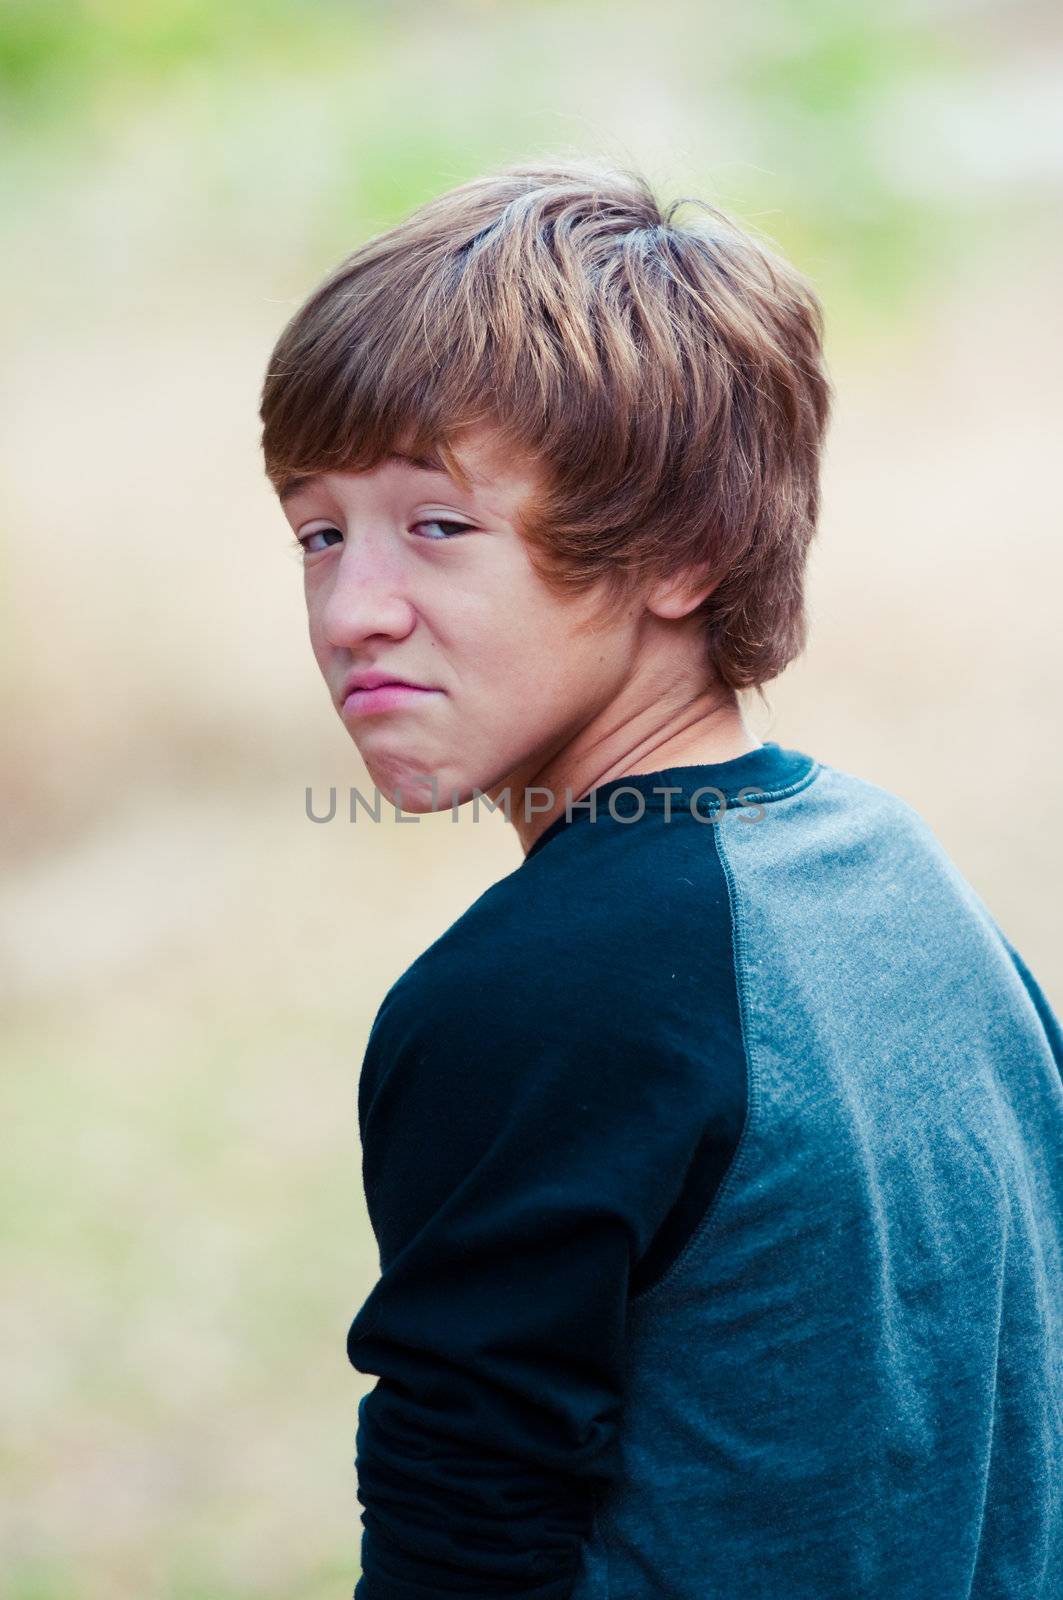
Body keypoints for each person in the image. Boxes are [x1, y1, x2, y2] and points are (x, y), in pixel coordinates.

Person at [258, 158, 1063, 1599]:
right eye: (320, 532)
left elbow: (463, 1548)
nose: (350, 610)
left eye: (438, 526)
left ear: (683, 549)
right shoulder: (897, 867)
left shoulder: (549, 993)